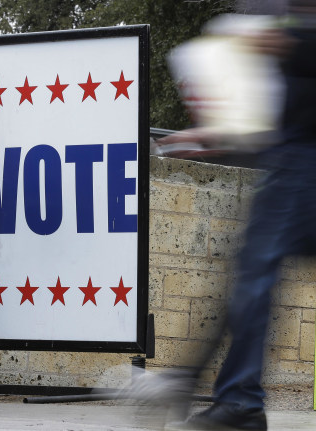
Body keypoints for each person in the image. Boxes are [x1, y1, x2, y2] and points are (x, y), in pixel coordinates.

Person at [154, 1, 316, 429]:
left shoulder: (293, 33)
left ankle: (238, 400)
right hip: (292, 157)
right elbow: (273, 110)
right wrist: (216, 133)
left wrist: (292, 43)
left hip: (300, 163)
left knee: (254, 275)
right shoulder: (288, 26)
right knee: (253, 276)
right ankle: (234, 397)